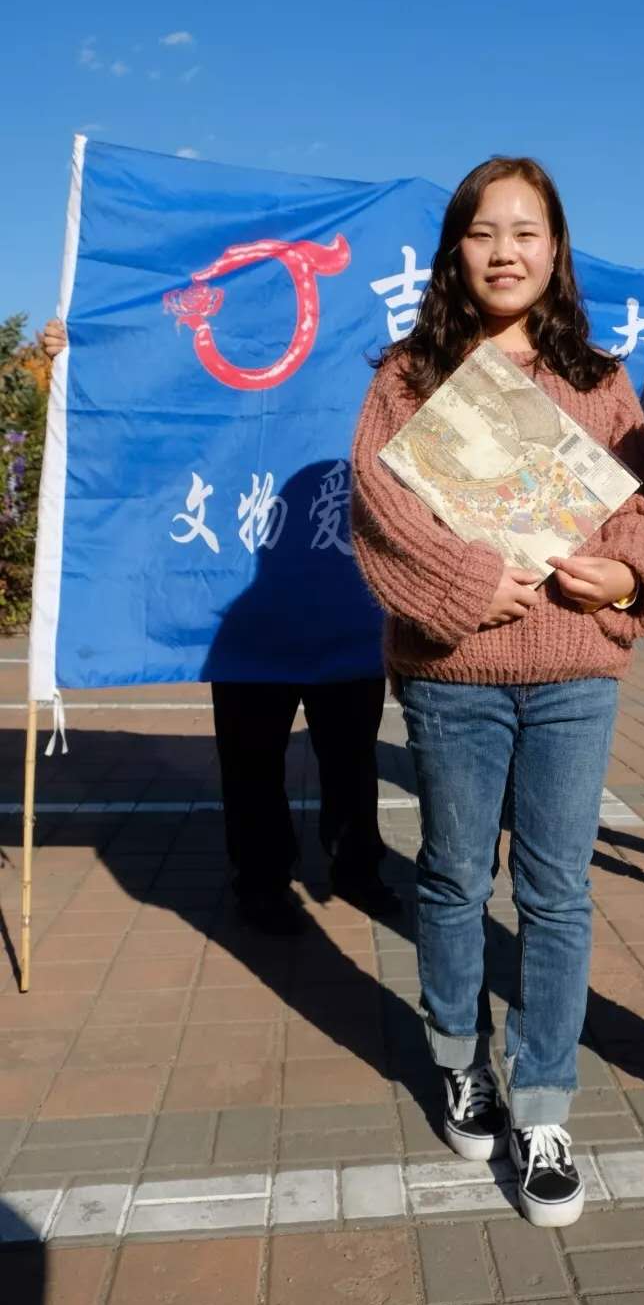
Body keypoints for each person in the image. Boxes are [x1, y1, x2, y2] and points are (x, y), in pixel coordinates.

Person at [350, 157, 644, 1228]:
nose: (505, 251)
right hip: (454, 675)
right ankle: (460, 1061)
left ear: (556, 249)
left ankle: (543, 1105)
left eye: (526, 231)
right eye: (484, 231)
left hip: (577, 672)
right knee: (453, 878)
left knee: (557, 893)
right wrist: (466, 585)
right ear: (455, 250)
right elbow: (379, 504)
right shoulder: (410, 376)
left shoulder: (598, 376)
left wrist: (625, 576)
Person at [41, 318, 396, 936]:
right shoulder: (224, 342)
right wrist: (89, 350)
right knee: (251, 760)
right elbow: (151, 384)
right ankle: (260, 881)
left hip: (341, 608)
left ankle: (357, 867)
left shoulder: (352, 342)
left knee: (350, 757)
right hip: (243, 620)